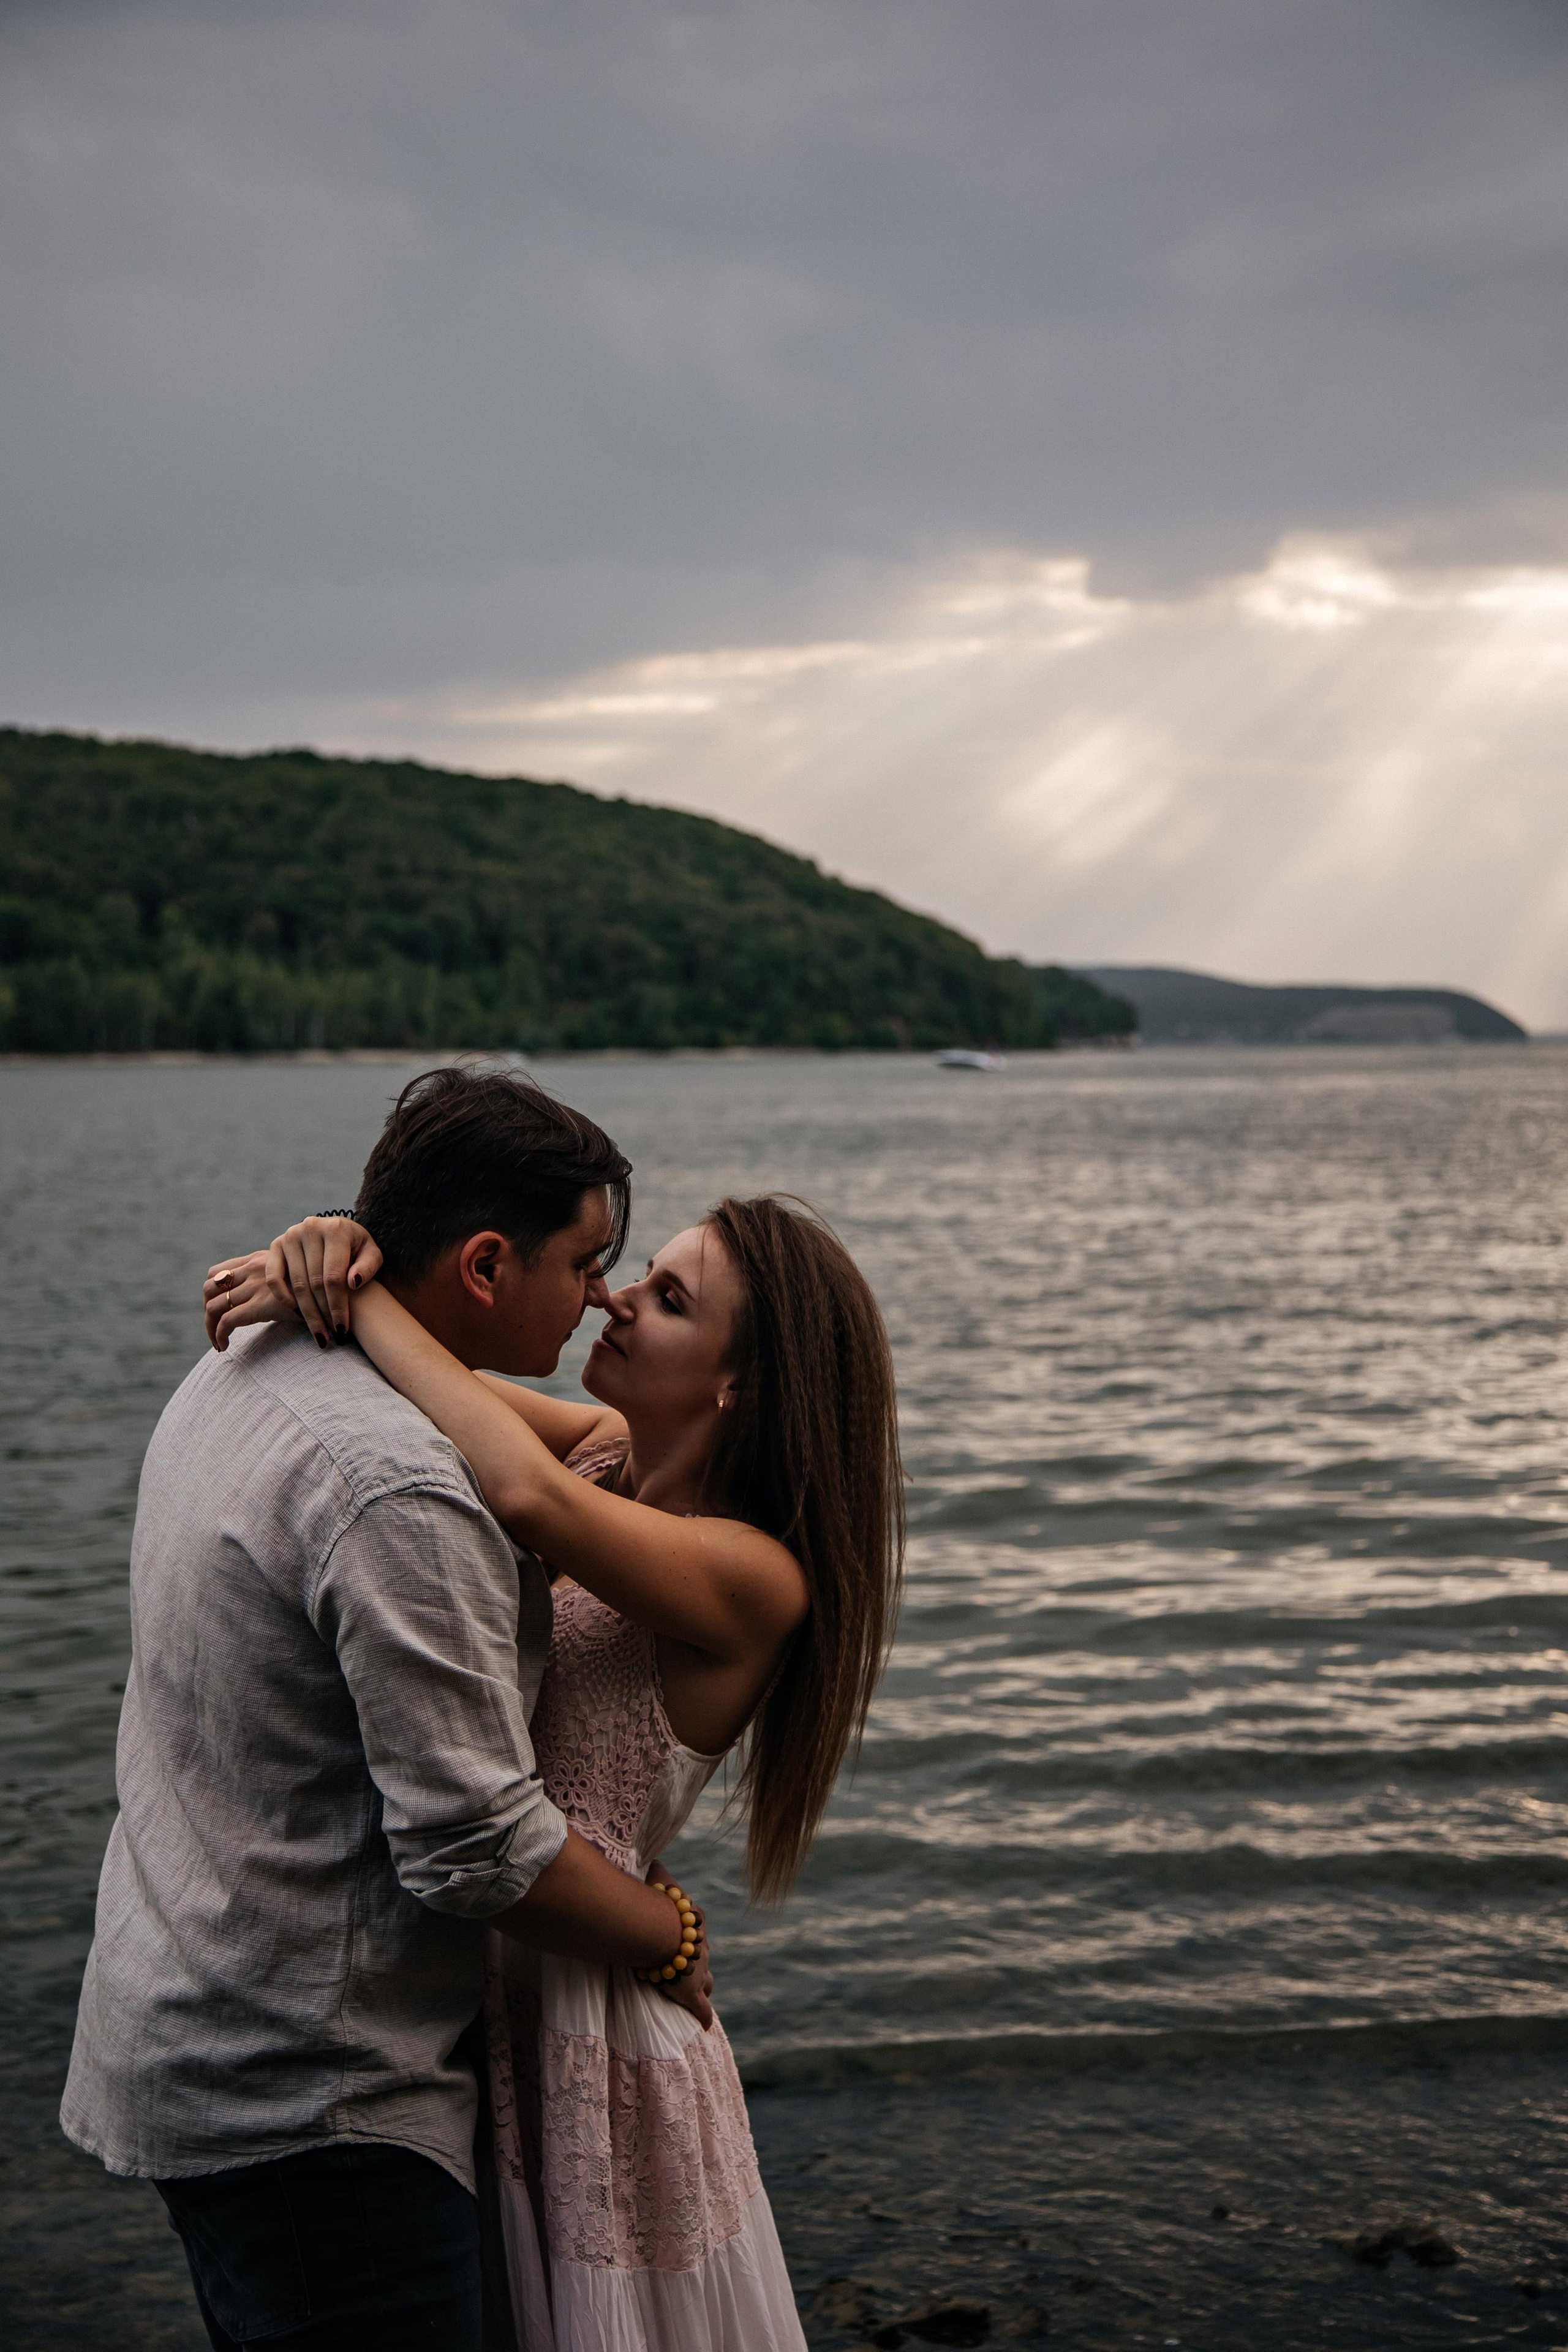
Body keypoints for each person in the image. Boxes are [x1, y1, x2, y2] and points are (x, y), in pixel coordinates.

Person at [61, 1068, 711, 2352]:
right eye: (586, 1261)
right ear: (483, 1265)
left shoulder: (255, 1351)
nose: (598, 1294)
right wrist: (668, 1933)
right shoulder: (403, 1488)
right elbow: (474, 1844)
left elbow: (543, 1461)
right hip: (312, 2098)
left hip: (198, 2015)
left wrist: (341, 1266)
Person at [224, 1177, 906, 2352]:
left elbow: (513, 1486)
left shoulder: (753, 1576)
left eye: (670, 1297)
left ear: (737, 1384)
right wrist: (330, 1250)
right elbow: (438, 1390)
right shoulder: (605, 1450)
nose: (618, 1298)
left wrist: (355, 1284)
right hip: (497, 1957)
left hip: (588, 2021)